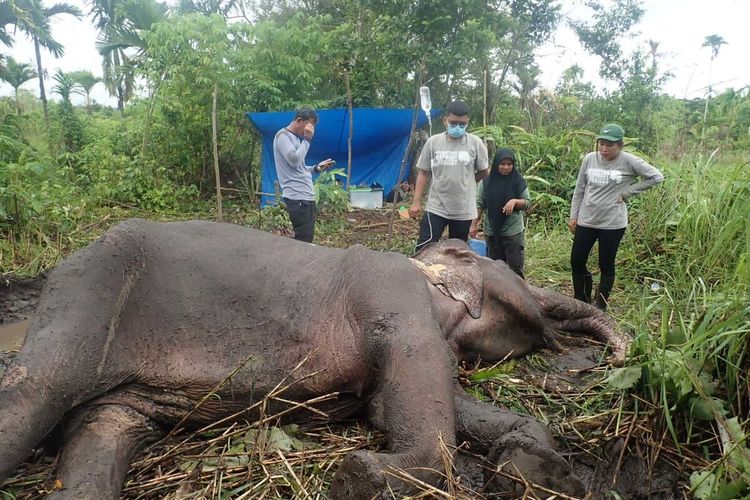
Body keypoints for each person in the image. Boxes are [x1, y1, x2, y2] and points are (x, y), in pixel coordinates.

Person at [569, 123, 664, 311]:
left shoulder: (629, 161)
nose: (604, 149)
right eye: (601, 144)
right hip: (587, 219)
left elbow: (656, 176)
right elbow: (580, 189)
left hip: (612, 224)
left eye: (609, 145)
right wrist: (574, 216)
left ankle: (600, 305)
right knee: (576, 260)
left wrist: (628, 192)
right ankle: (581, 298)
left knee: (606, 263)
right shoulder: (589, 159)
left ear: (620, 145)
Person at [409, 100, 489, 252]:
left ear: (467, 121)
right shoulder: (434, 142)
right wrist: (416, 202)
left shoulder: (475, 144)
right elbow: (423, 172)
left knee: (457, 253)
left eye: (462, 123)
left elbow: (484, 171)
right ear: (445, 120)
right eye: (453, 123)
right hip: (436, 207)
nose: (457, 127)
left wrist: (468, 181)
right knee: (424, 248)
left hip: (463, 209)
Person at [273, 107, 334, 243]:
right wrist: (307, 139)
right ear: (299, 120)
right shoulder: (283, 136)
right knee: (303, 241)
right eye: (309, 127)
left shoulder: (295, 139)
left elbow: (298, 168)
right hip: (297, 197)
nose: (310, 131)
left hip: (305, 196)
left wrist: (317, 168)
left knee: (307, 238)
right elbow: (294, 160)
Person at [470, 147, 530, 278]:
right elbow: (479, 204)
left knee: (516, 269)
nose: (506, 167)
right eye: (503, 164)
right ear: (496, 164)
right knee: (495, 269)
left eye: (509, 164)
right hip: (492, 231)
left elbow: (527, 202)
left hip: (513, 231)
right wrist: (473, 225)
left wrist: (514, 201)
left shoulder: (518, 181)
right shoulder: (486, 183)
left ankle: (519, 296)